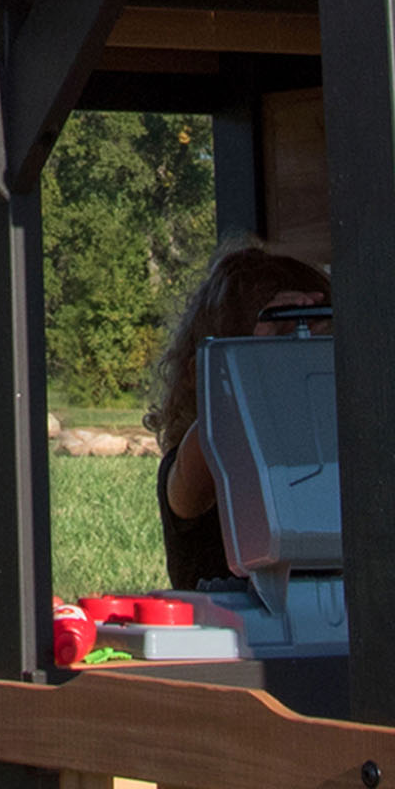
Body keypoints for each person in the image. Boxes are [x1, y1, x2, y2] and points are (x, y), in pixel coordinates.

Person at [144, 241, 334, 589]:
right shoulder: (194, 464)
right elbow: (220, 429)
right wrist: (255, 364)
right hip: (237, 639)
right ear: (198, 375)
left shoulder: (334, 462)